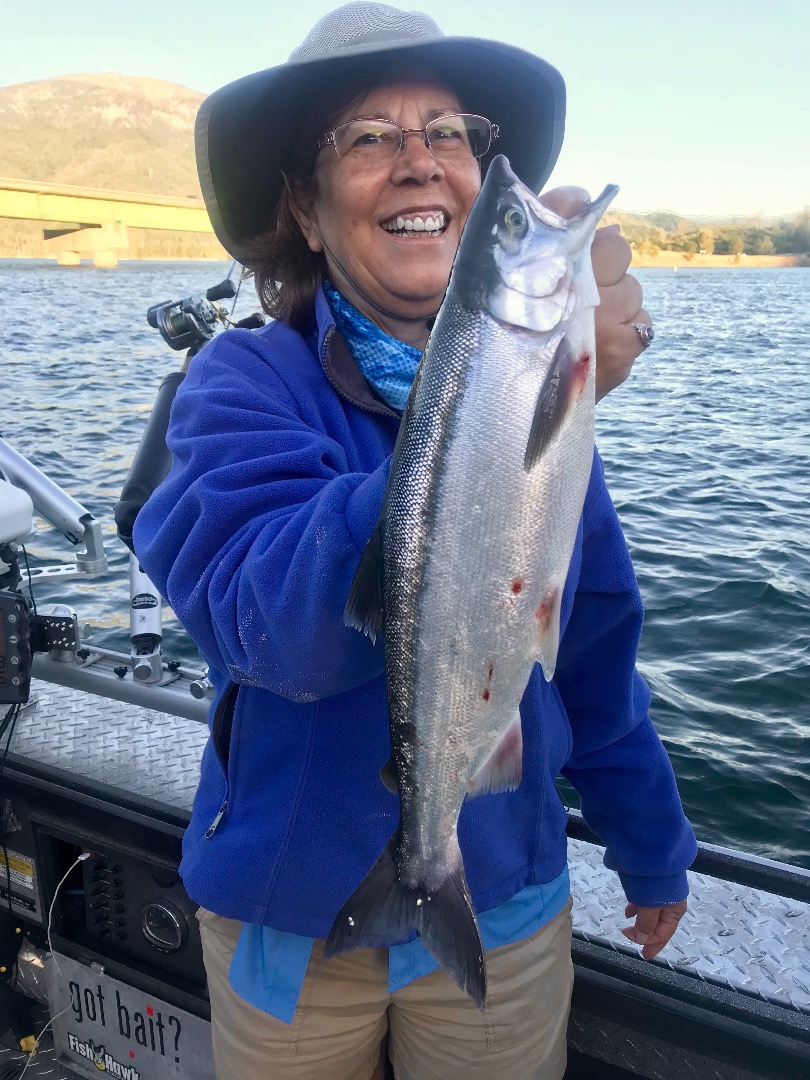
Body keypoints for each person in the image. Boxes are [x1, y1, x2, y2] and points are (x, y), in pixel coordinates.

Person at [133, 4, 697, 1078]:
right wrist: (493, 413)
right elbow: (272, 630)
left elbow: (589, 645)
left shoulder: (547, 433)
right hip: (285, 914)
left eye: (450, 132)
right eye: (370, 138)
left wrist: (653, 843)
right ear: (303, 208)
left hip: (503, 896)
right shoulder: (238, 388)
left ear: (484, 185)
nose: (419, 162)